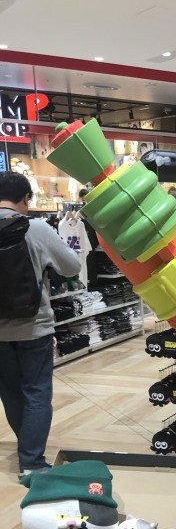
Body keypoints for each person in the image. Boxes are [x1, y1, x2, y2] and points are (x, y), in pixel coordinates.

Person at [0, 172, 81, 480]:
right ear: (26, 199)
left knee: (11, 393)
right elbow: (71, 266)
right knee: (36, 392)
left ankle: (27, 449)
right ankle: (32, 462)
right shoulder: (35, 227)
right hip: (34, 326)